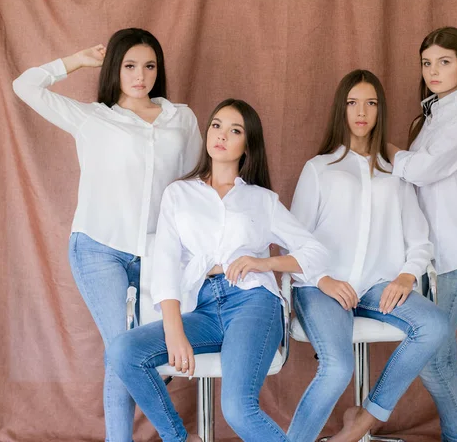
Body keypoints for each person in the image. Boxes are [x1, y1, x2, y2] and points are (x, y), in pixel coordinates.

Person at [13, 28, 202, 442]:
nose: (140, 76)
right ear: (115, 68)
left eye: (149, 66)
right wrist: (77, 60)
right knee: (121, 351)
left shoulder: (181, 119)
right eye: (130, 66)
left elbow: (189, 189)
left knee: (133, 354)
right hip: (98, 248)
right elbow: (24, 85)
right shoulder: (92, 117)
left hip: (158, 254)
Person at [107, 98, 329, 442]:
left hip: (254, 303)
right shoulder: (179, 194)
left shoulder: (261, 200)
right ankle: (179, 439)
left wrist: (265, 262)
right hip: (204, 307)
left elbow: (315, 252)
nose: (222, 135)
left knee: (238, 409)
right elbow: (165, 262)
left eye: (234, 130)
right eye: (216, 125)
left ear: (247, 144)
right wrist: (173, 326)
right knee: (123, 351)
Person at [287, 69, 449, 442]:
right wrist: (324, 280)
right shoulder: (319, 169)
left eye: (371, 103)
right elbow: (296, 242)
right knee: (338, 367)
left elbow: (419, 240)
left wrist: (408, 275)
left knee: (435, 325)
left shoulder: (395, 174)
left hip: (378, 285)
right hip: (322, 286)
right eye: (353, 102)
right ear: (340, 110)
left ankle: (364, 419)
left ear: (380, 111)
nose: (362, 112)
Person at [387, 26, 457, 442]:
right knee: (440, 353)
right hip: (428, 258)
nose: (433, 70)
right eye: (427, 63)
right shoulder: (430, 118)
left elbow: (424, 170)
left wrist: (388, 149)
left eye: (443, 62)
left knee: (430, 356)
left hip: (456, 254)